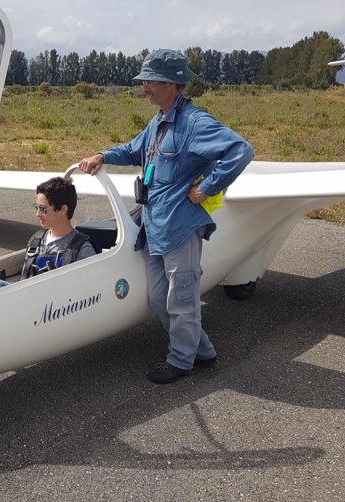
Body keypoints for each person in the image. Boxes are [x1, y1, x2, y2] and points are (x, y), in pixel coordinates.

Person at [79, 48, 254, 384]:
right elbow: (134, 150)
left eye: (150, 81)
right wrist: (102, 154)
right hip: (153, 226)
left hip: (179, 226)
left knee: (182, 299)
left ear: (173, 84)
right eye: (144, 80)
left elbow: (240, 150)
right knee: (160, 298)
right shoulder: (159, 122)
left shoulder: (195, 123)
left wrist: (208, 188)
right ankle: (202, 351)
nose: (144, 87)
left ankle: (181, 361)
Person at [0, 176, 98, 295]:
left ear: (63, 209)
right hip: (23, 297)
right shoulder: (37, 240)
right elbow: (26, 281)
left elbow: (87, 295)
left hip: (46, 307)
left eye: (43, 209)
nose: (37, 214)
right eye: (36, 207)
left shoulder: (82, 249)